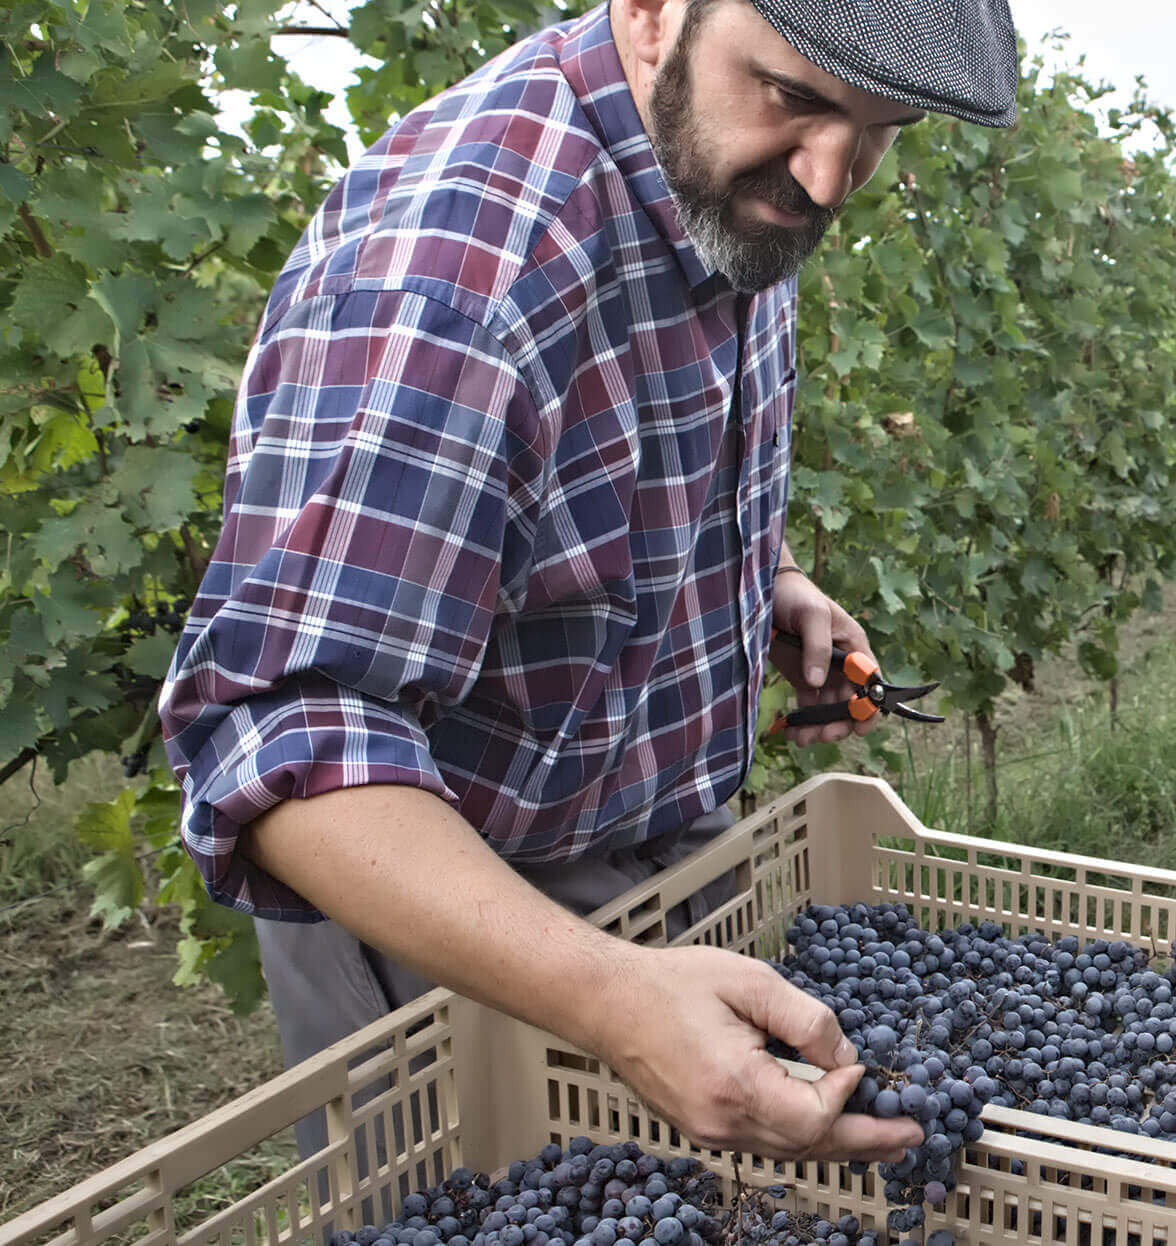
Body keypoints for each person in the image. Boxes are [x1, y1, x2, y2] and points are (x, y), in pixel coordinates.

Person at [157, 0, 1019, 1163]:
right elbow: (289, 743)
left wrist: (770, 581)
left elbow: (593, 469)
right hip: (455, 935)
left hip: (657, 877)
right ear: (655, 14)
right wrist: (612, 996)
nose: (828, 177)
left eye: (880, 126)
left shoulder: (722, 179)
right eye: (797, 98)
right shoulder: (457, 273)